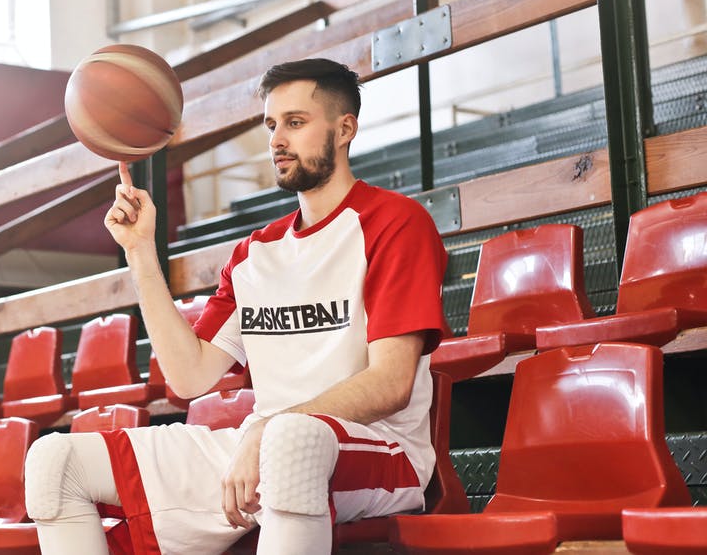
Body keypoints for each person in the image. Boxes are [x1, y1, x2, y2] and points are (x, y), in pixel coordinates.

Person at [24, 58, 448, 554]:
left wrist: (267, 429)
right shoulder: (254, 253)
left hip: (380, 449)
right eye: (271, 125)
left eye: (295, 122)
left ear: (344, 129)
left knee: (289, 443)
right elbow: (189, 378)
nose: (276, 140)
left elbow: (392, 382)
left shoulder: (396, 223)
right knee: (55, 462)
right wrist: (139, 251)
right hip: (265, 446)